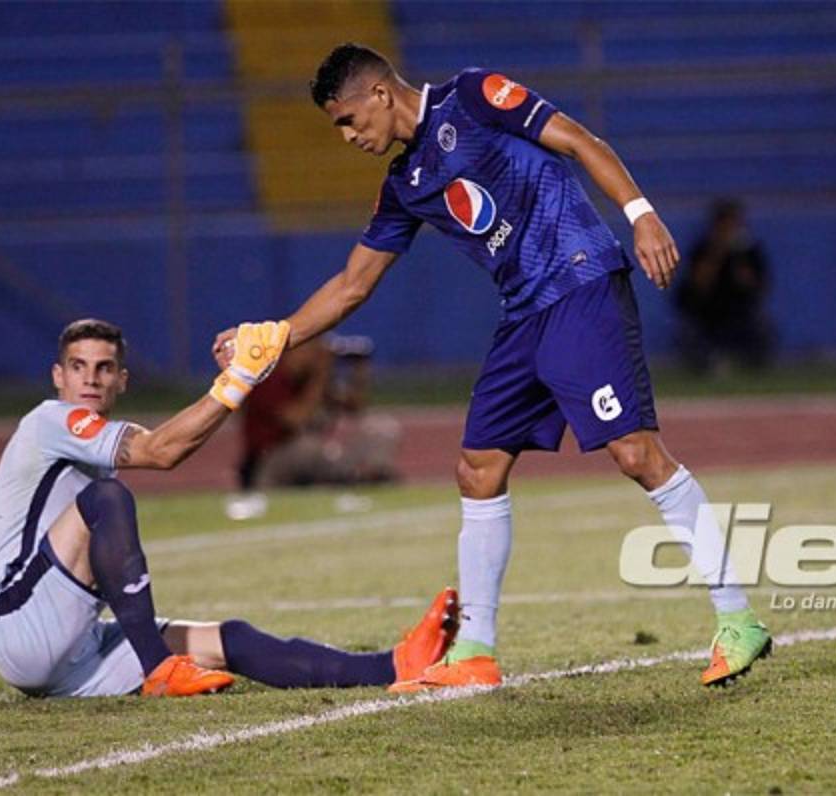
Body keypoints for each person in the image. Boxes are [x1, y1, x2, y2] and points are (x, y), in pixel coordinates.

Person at [214, 44, 771, 691]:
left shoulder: (474, 97)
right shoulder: (403, 185)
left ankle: (738, 619)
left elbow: (578, 141)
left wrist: (641, 217)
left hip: (580, 282)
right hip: (524, 315)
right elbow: (351, 285)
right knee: (477, 470)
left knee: (637, 454)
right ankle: (475, 651)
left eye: (347, 120)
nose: (348, 136)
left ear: (380, 95)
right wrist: (273, 337)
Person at [0, 318, 457, 698]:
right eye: (78, 366)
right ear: (57, 376)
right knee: (106, 501)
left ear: (121, 380)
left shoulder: (89, 440)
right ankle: (159, 668)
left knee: (231, 640)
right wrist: (239, 378)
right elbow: (161, 452)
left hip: (68, 647)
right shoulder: (51, 420)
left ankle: (394, 664)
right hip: (20, 623)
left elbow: (168, 444)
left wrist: (233, 381)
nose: (90, 379)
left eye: (103, 368)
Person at [229, 333, 399, 520]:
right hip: (268, 464)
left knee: (381, 427)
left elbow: (355, 407)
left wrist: (360, 371)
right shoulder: (268, 378)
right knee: (308, 448)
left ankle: (374, 476)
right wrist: (320, 375)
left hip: (313, 458)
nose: (316, 355)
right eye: (312, 349)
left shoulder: (311, 379)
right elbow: (294, 420)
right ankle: (357, 478)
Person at [674, 199, 774, 373]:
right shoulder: (703, 248)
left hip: (740, 313)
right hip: (707, 313)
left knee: (762, 328)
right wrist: (718, 251)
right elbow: (699, 283)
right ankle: (710, 366)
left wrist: (738, 256)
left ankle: (749, 370)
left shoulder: (748, 251)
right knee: (691, 335)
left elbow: (754, 286)